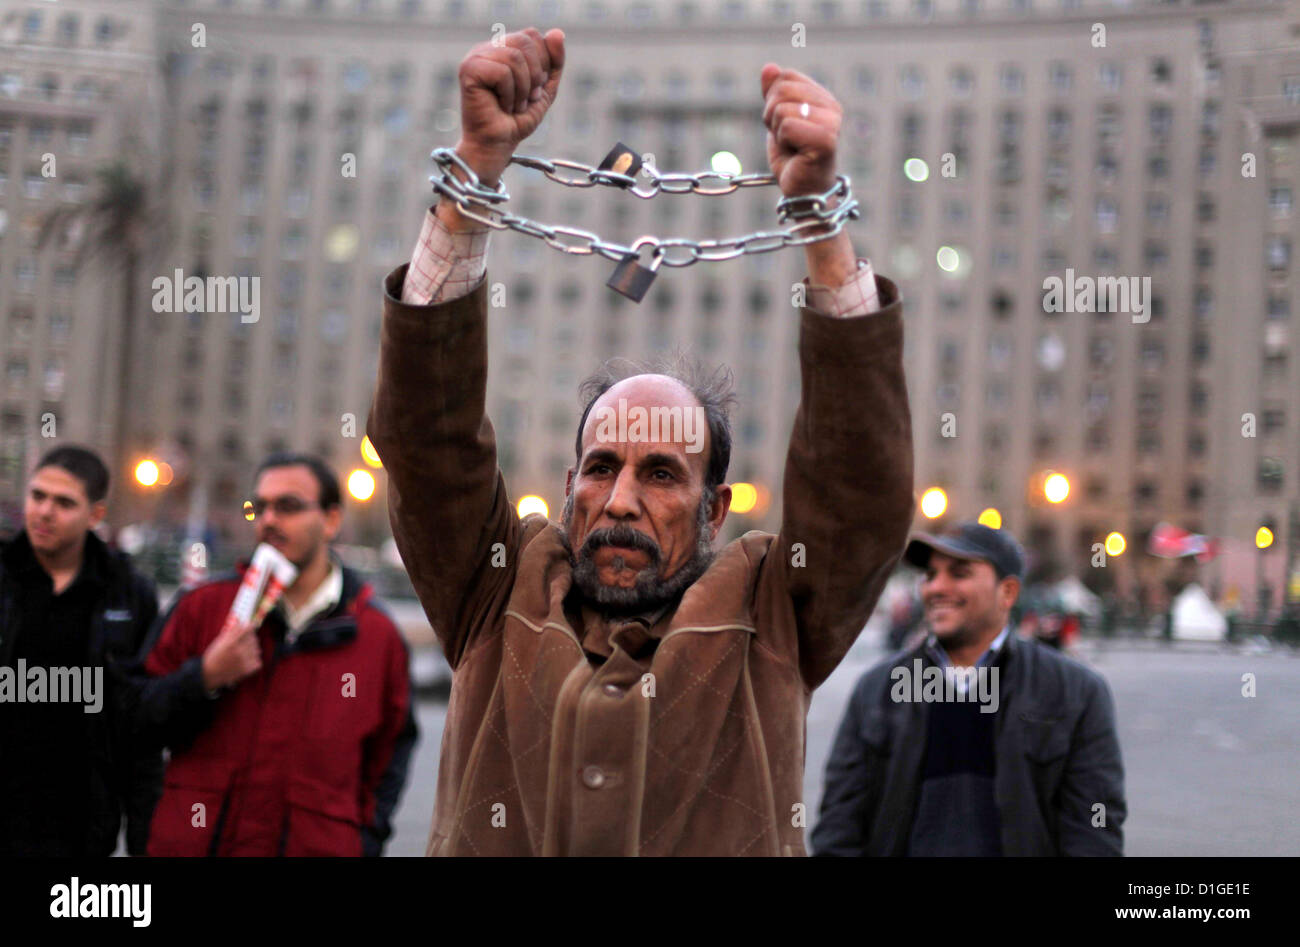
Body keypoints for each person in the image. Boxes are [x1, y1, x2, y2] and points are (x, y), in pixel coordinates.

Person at [367, 27, 914, 856]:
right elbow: (423, 439)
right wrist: (475, 173)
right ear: (568, 485)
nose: (619, 499)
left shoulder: (773, 612)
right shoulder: (494, 592)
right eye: (601, 467)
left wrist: (820, 226)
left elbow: (859, 485)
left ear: (714, 507)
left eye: (662, 473)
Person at [133, 453, 417, 856]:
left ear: (331, 520)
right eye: (259, 507)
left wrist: (363, 841)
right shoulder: (201, 607)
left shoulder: (376, 635)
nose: (268, 520)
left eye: (288, 506)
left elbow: (390, 755)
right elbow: (136, 720)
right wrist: (203, 678)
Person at [811, 522, 1126, 856]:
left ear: (1007, 592)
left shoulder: (1076, 691)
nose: (936, 588)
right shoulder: (875, 691)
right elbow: (838, 827)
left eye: (959, 573)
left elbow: (1094, 830)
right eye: (930, 575)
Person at [0, 445, 162, 856]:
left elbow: (139, 728)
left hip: (83, 829)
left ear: (95, 515)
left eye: (64, 502)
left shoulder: (128, 594)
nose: (45, 512)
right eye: (37, 496)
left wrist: (145, 838)